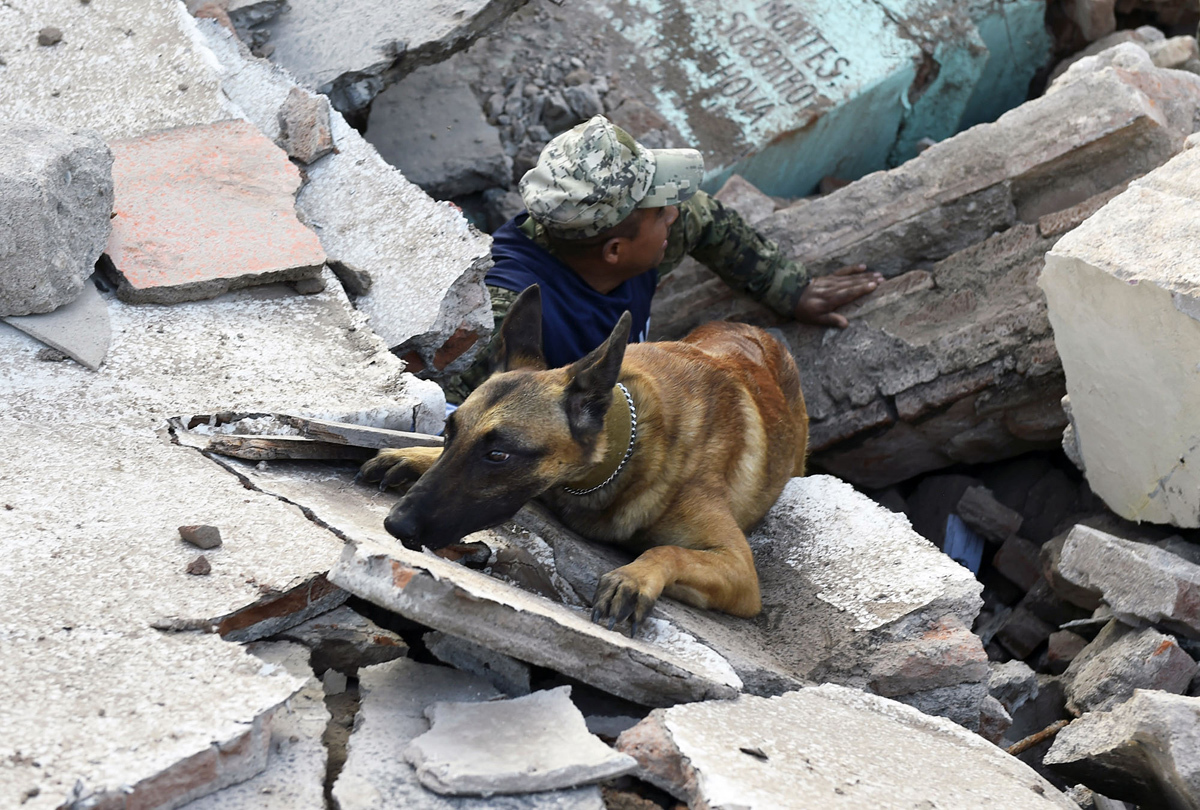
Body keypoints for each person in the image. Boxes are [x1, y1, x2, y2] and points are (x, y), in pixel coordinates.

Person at [441, 115, 881, 403]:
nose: (674, 212)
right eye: (659, 212)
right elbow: (458, 421)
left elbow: (708, 221)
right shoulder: (508, 317)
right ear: (615, 252)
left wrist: (791, 289)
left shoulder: (633, 235)